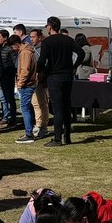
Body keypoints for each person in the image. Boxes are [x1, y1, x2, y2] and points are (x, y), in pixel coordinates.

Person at [38, 17, 83, 147]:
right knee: (66, 107)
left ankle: (57, 139)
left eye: (47, 25)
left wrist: (39, 71)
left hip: (54, 76)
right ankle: (67, 136)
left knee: (57, 109)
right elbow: (80, 53)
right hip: (68, 76)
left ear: (50, 27)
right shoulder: (68, 40)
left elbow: (42, 60)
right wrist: (74, 66)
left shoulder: (47, 42)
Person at [11, 35, 37, 144]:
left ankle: (28, 134)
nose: (13, 49)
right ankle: (29, 131)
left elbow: (25, 70)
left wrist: (20, 83)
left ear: (16, 44)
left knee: (24, 108)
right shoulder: (26, 51)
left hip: (27, 84)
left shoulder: (25, 53)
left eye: (13, 47)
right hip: (28, 83)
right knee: (26, 108)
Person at [28, 28, 49, 139]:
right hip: (33, 80)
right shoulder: (32, 48)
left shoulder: (42, 49)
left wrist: (40, 74)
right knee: (36, 103)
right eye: (30, 37)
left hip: (41, 80)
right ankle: (39, 123)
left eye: (33, 37)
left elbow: (45, 63)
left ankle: (42, 125)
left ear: (40, 37)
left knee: (41, 103)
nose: (31, 39)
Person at [0, 29, 17, 128]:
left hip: (8, 76)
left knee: (10, 98)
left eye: (0, 37)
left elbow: (14, 62)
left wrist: (10, 72)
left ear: (5, 38)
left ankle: (13, 118)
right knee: (3, 98)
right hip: (2, 76)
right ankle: (5, 116)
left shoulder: (9, 49)